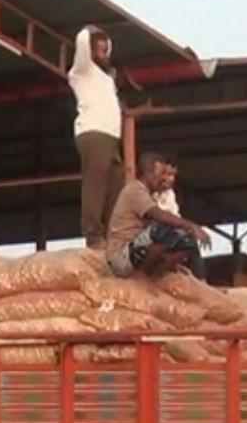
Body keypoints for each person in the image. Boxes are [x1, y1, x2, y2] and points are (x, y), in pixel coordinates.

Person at [105, 151, 211, 279]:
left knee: (187, 240)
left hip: (136, 249)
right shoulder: (134, 190)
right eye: (161, 174)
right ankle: (142, 277)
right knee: (161, 229)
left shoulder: (151, 194)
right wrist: (193, 226)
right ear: (148, 174)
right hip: (121, 256)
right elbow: (158, 215)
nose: (163, 179)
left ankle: (155, 276)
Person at [69, 25, 125, 248]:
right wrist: (87, 31)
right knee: (96, 184)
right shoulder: (81, 71)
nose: (104, 54)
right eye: (99, 50)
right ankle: (93, 235)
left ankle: (112, 236)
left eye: (106, 50)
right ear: (90, 52)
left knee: (116, 185)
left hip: (111, 136)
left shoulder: (106, 79)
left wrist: (107, 40)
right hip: (93, 132)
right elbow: (82, 44)